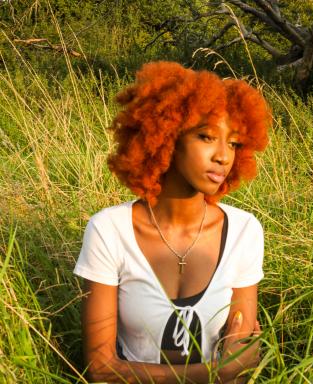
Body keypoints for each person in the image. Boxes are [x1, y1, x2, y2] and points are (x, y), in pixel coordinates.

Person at [74, 61, 271, 383]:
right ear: (165, 137)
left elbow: (241, 368)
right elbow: (101, 370)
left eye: (233, 143)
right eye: (206, 137)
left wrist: (229, 371)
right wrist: (215, 372)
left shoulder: (244, 231)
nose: (223, 156)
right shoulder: (109, 230)